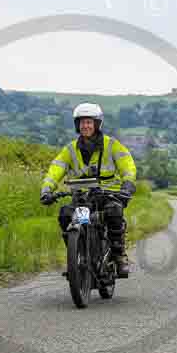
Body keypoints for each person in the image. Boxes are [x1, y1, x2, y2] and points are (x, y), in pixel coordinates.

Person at [40, 103, 137, 277]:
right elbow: (55, 170)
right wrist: (46, 190)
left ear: (97, 124)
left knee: (114, 211)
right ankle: (76, 253)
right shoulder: (70, 149)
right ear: (77, 125)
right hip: (82, 197)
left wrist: (128, 185)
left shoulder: (112, 145)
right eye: (82, 122)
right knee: (65, 214)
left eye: (89, 122)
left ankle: (118, 255)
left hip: (107, 194)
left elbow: (127, 166)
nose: (85, 126)